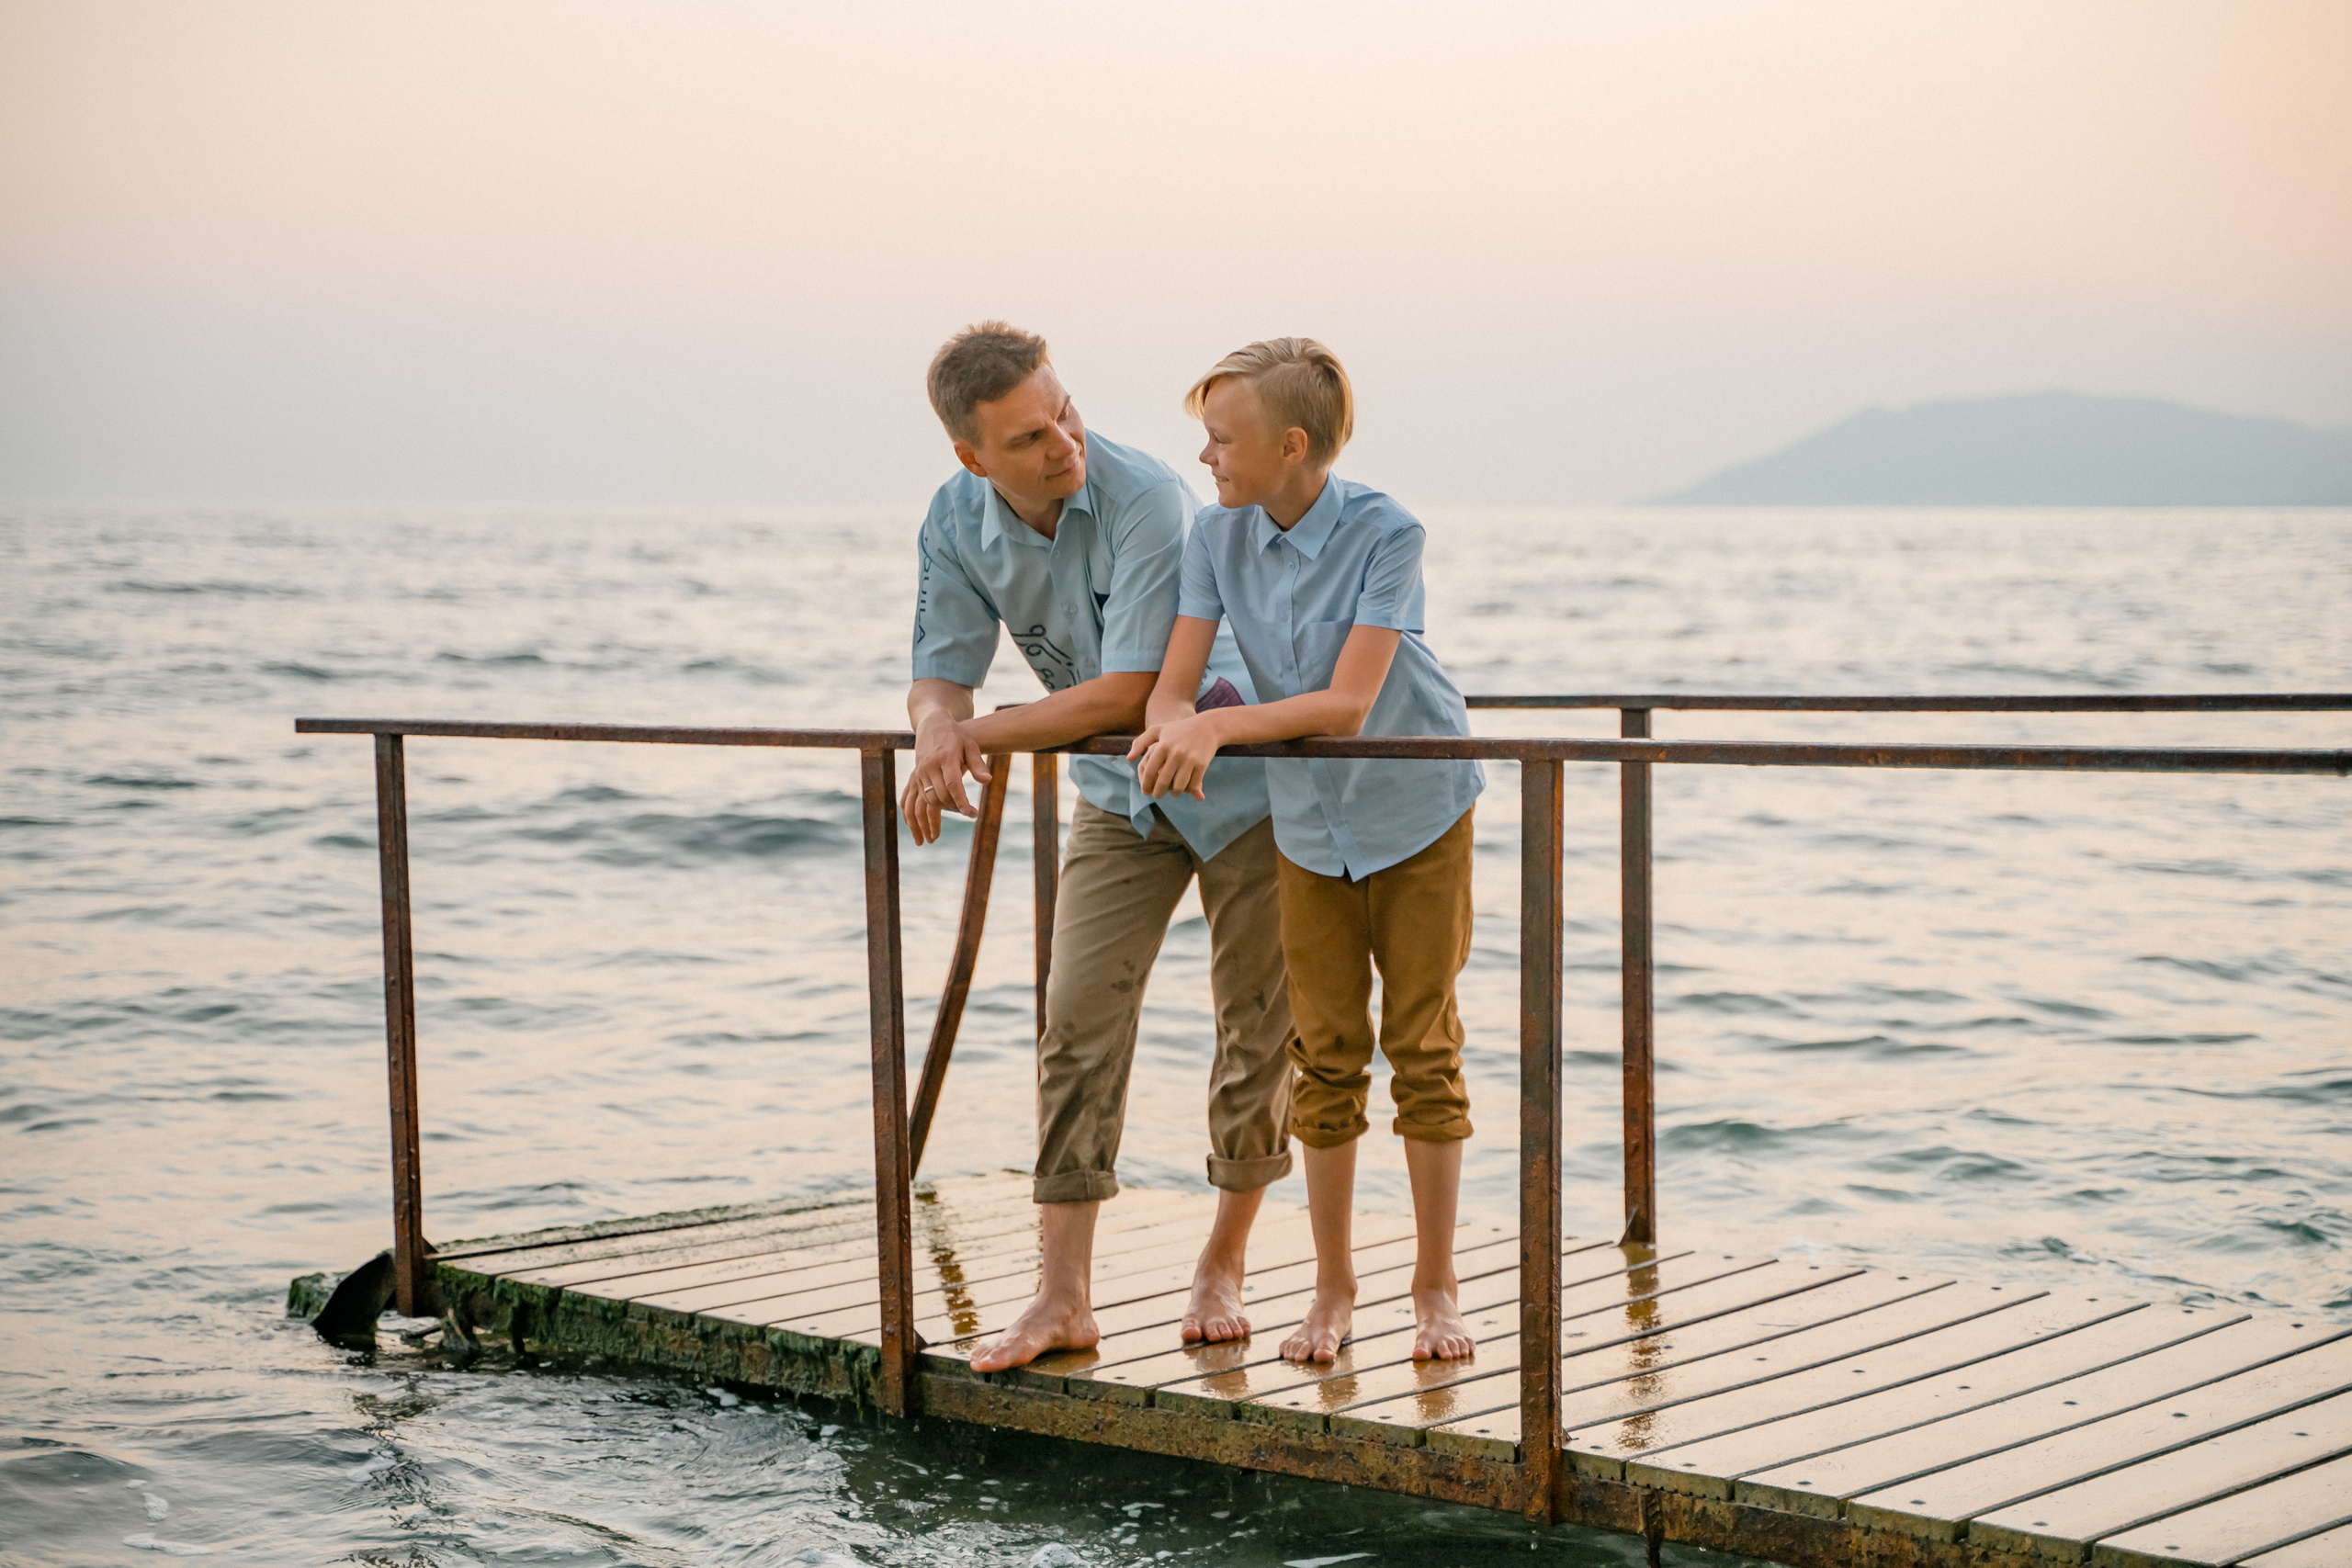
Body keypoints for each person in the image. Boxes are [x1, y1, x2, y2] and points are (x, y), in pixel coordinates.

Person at [902, 321, 1298, 1371]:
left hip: (1246, 786)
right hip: (1120, 795)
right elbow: (942, 670)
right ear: (972, 456)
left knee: (1255, 1031)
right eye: (1031, 437)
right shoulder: (952, 518)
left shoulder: (1144, 496)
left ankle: (1223, 1262)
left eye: (1065, 411)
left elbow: (1130, 689)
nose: (1064, 442)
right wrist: (937, 728)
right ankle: (1062, 1298)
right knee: (1075, 1019)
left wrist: (974, 734)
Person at [1129, 337, 1484, 1365]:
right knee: (1321, 1059)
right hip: (1305, 821)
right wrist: (1170, 720)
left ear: (1291, 446)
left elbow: (1347, 702)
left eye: (1221, 438)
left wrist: (1216, 729)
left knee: (1422, 1048)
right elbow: (1174, 680)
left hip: (1415, 805)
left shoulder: (1387, 531)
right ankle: (1332, 1291)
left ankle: (1436, 1289)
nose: (1204, 458)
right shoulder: (1215, 534)